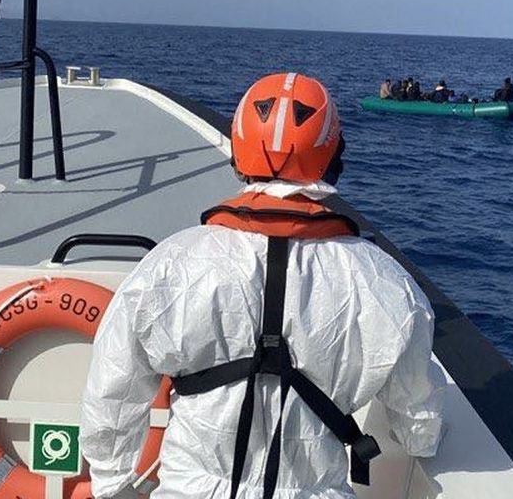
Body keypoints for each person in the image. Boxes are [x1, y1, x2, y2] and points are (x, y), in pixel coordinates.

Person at [82, 72, 445, 499]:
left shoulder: (171, 265)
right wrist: (422, 436)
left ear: (238, 154)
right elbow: (418, 426)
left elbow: (113, 391)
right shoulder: (386, 283)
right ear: (334, 160)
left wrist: (112, 482)